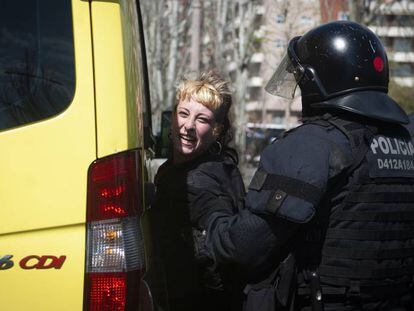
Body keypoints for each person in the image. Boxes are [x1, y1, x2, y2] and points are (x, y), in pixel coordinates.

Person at [191, 21, 414, 311]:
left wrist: (212, 216)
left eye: (302, 81)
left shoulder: (313, 145)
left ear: (320, 82)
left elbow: (245, 248)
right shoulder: (405, 140)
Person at [149, 71, 246, 311]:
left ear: (217, 131)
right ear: (172, 118)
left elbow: (217, 261)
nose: (189, 126)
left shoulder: (201, 182)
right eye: (183, 113)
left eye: (202, 119)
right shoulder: (180, 168)